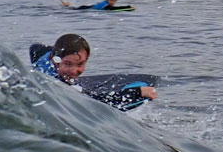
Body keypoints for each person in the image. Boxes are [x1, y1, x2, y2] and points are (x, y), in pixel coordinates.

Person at [29, 33, 157, 109]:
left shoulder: (42, 57)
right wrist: (138, 92)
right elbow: (97, 102)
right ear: (54, 60)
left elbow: (34, 47)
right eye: (68, 64)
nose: (74, 71)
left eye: (80, 64)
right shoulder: (61, 85)